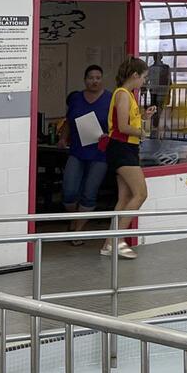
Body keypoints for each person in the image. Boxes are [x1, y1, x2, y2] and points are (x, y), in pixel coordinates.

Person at [103, 56, 149, 258]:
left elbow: (128, 120)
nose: (144, 82)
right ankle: (118, 240)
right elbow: (122, 126)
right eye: (144, 77)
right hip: (122, 149)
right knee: (141, 194)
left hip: (127, 148)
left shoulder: (129, 95)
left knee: (125, 197)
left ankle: (108, 243)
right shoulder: (122, 94)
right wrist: (142, 132)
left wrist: (143, 117)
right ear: (135, 75)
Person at [60, 65, 111, 243]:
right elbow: (68, 121)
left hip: (100, 153)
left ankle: (78, 231)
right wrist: (63, 138)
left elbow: (117, 125)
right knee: (69, 191)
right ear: (85, 80)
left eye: (98, 78)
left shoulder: (110, 99)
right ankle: (74, 220)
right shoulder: (76, 98)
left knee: (89, 192)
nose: (94, 81)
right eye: (91, 77)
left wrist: (109, 136)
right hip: (77, 151)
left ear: (102, 79)